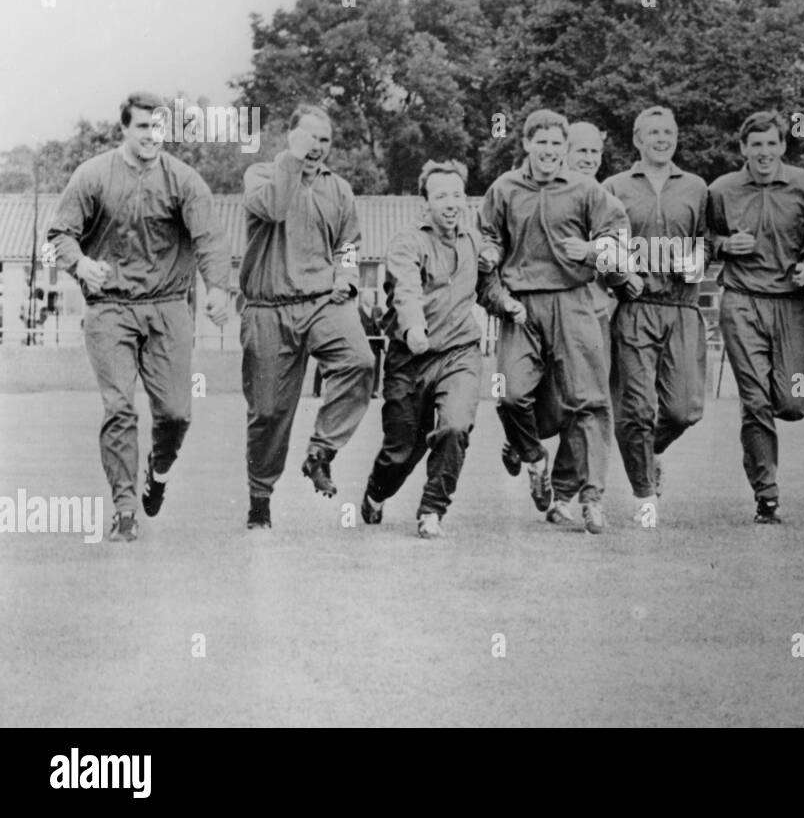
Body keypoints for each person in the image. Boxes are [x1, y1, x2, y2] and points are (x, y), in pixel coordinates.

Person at [46, 91, 232, 542]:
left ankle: (159, 471)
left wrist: (218, 287)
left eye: (160, 128)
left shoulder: (185, 181)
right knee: (119, 407)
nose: (152, 136)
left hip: (168, 306)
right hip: (110, 306)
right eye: (143, 127)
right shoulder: (93, 176)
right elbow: (58, 236)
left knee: (175, 413)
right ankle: (125, 507)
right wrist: (80, 264)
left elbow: (209, 237)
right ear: (124, 130)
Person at [479, 109, 629, 534]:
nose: (548, 151)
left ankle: (592, 498)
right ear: (526, 144)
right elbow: (487, 234)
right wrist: (489, 252)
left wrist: (594, 250)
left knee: (589, 400)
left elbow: (617, 238)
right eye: (540, 142)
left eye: (555, 144)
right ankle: (531, 455)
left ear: (564, 149)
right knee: (509, 393)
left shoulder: (585, 190)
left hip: (575, 301)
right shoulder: (504, 188)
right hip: (522, 304)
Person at [360, 160, 525, 537]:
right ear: (426, 203)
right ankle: (375, 493)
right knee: (403, 448)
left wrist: (507, 304)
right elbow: (405, 289)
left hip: (460, 352)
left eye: (456, 195)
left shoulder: (473, 242)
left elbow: (487, 288)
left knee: (454, 428)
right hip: (411, 356)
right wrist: (414, 325)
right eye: (440, 196)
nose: (450, 203)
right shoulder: (407, 241)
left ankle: (432, 509)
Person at [240, 104, 374, 530]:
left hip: (321, 301)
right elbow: (276, 208)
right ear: (290, 137)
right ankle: (260, 498)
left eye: (324, 140)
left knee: (360, 361)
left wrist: (348, 278)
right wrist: (291, 162)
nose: (317, 147)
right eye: (308, 138)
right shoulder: (262, 175)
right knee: (268, 412)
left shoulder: (340, 190)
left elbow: (349, 245)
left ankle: (321, 451)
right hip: (268, 305)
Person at [707, 111, 804, 524]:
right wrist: (723, 245)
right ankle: (766, 495)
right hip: (741, 303)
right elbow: (703, 238)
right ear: (743, 149)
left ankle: (780, 414)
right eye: (756, 145)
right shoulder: (722, 190)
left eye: (772, 143)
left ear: (783, 146)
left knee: (791, 401)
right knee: (755, 401)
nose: (764, 152)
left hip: (790, 304)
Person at [604, 106, 710, 529]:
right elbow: (602, 242)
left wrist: (696, 264)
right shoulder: (614, 186)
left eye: (668, 132)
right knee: (636, 409)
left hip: (683, 307)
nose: (662, 139)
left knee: (685, 409)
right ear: (637, 140)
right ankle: (645, 495)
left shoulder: (697, 187)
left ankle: (652, 452)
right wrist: (620, 273)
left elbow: (708, 243)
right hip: (636, 307)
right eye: (653, 133)